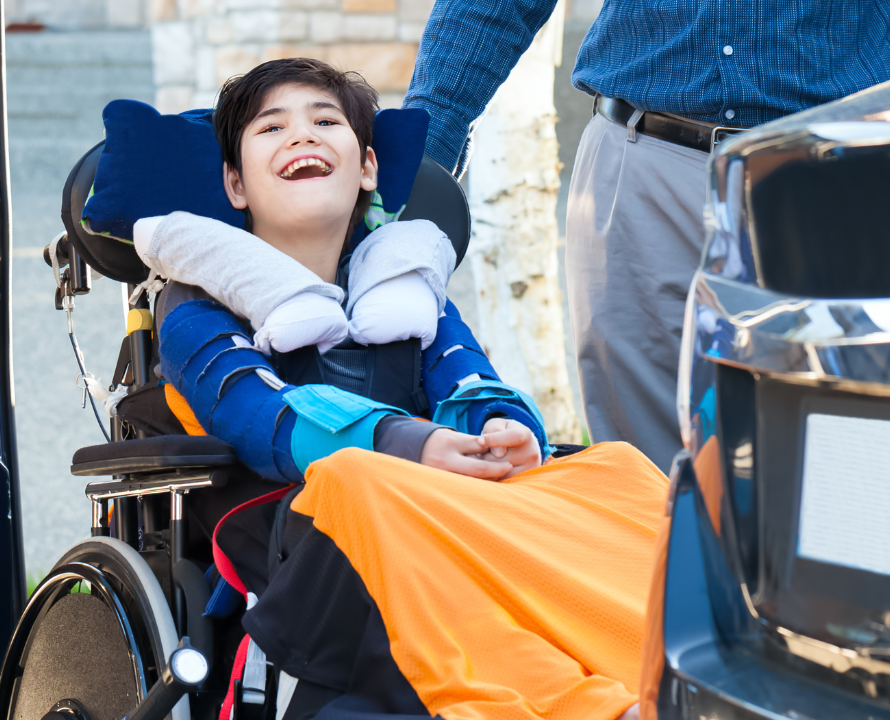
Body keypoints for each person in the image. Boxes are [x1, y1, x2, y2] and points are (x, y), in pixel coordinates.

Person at [136, 58, 667, 720]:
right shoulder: (193, 303)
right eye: (272, 128)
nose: (302, 134)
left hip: (433, 496)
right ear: (235, 184)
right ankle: (581, 706)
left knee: (617, 470)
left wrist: (501, 430)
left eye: (325, 121)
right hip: (299, 531)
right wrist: (410, 444)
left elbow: (470, 380)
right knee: (359, 476)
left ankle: (669, 674)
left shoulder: (406, 287)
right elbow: (254, 413)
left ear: (367, 168)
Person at [403, 0, 890, 469]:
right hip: (639, 167)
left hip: (827, 178)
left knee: (829, 463)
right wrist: (417, 169)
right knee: (641, 479)